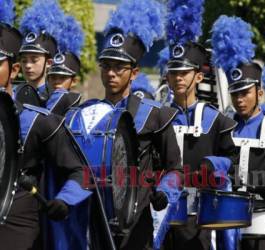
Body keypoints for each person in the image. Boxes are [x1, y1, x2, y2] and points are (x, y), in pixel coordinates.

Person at [65, 0, 181, 249]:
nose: (111, 73)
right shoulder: (88, 112)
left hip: (136, 223)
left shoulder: (155, 116)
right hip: (94, 219)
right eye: (106, 66)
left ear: (135, 73)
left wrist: (165, 191)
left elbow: (176, 168)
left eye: (119, 67)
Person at [0, 4, 91, 249]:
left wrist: (64, 200)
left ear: (13, 69)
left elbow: (82, 172)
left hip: (18, 227)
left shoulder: (38, 120)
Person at [211, 15, 265, 250]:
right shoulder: (224, 128)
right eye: (235, 94)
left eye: (245, 93)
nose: (239, 99)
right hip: (229, 223)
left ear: (259, 93)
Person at [160, 1, 238, 250]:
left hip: (200, 218)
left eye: (185, 72)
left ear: (199, 76)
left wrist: (214, 166)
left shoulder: (217, 120)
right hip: (161, 214)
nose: (178, 77)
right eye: (174, 72)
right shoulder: (156, 118)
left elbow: (233, 161)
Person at [18, 0, 64, 100]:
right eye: (24, 60)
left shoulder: (58, 100)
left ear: (49, 62)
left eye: (34, 60)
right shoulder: (14, 95)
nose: (28, 65)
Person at [45, 13, 84, 116]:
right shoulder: (40, 104)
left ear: (74, 81)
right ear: (48, 79)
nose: (57, 82)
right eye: (53, 77)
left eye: (62, 78)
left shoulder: (80, 113)